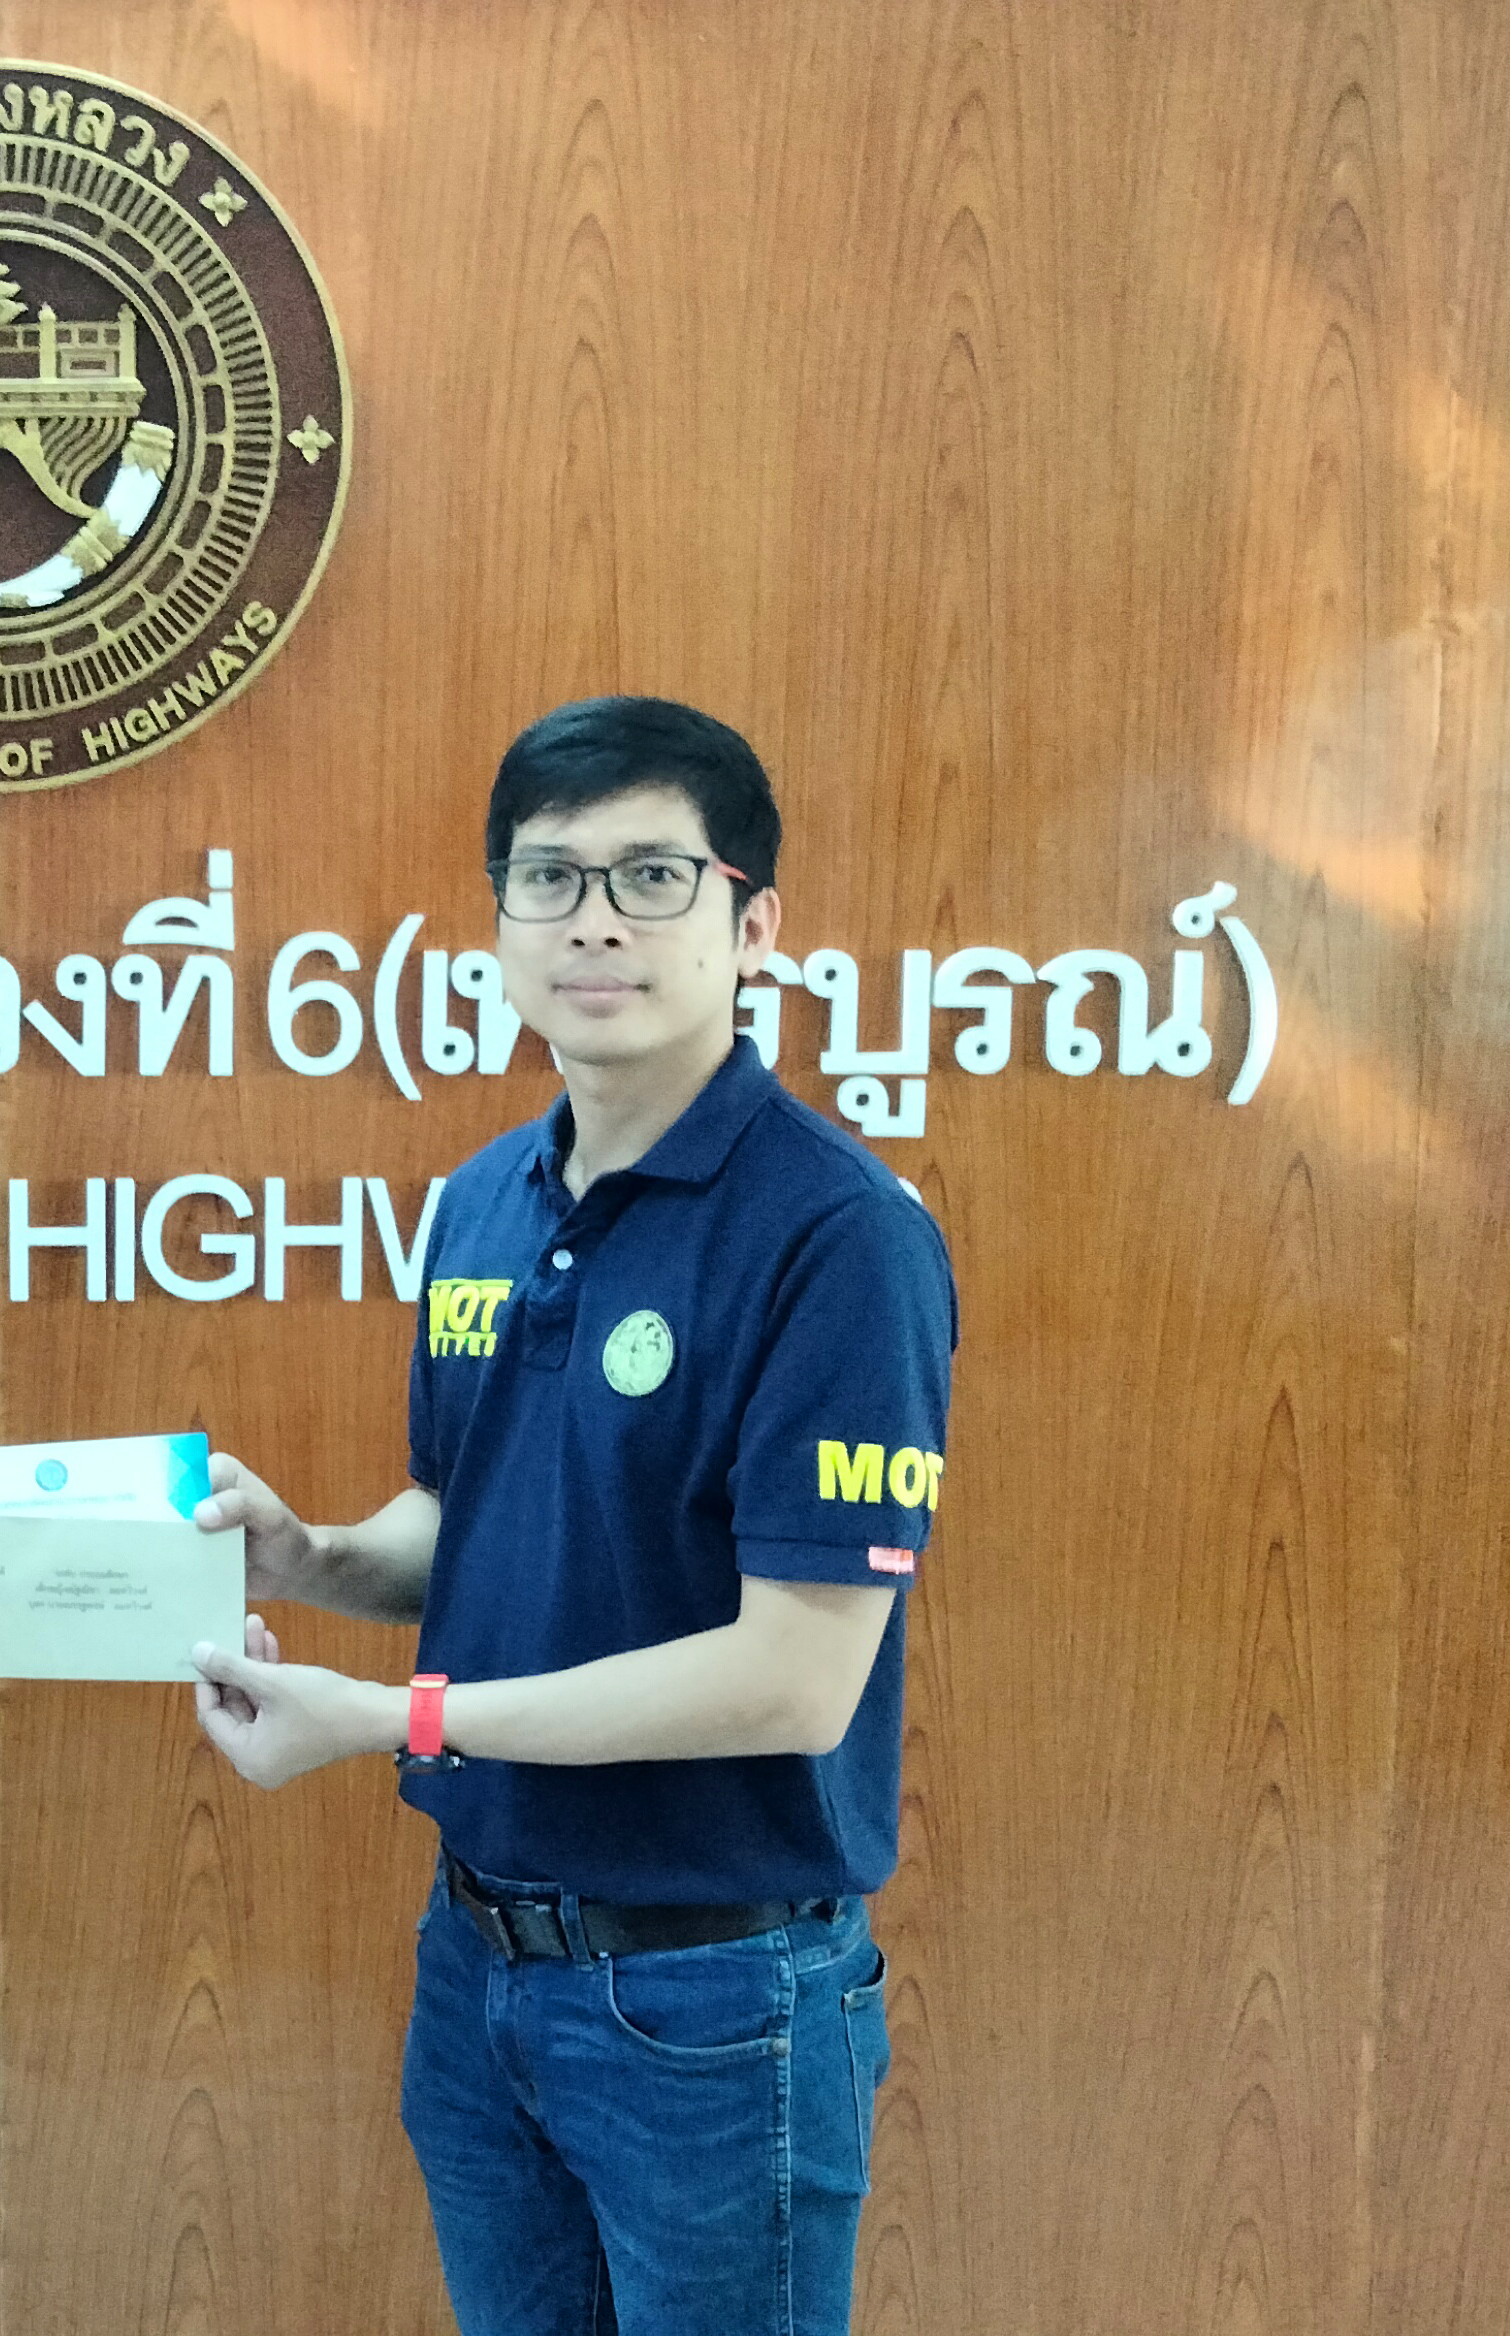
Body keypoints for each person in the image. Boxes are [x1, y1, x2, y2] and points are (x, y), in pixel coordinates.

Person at [184, 695, 956, 2336]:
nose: (593, 919)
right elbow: (467, 1525)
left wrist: (399, 1719)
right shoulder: (484, 1201)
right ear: (501, 925)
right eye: (547, 878)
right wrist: (311, 1556)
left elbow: (792, 1678)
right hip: (480, 1970)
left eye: (652, 877)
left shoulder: (838, 1236)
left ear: (756, 929)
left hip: (713, 2000)